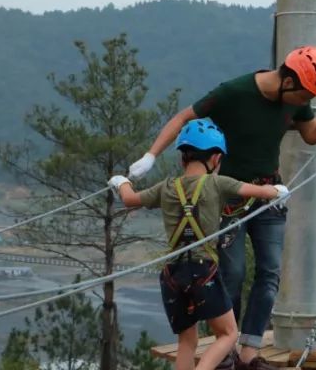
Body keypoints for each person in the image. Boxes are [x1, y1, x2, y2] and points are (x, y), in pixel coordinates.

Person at [127, 46, 316, 370]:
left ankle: (249, 352)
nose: (305, 102)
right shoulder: (234, 92)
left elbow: (313, 133)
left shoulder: (296, 100)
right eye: (304, 94)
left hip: (269, 193)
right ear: (288, 80)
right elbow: (183, 117)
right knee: (231, 274)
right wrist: (151, 156)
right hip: (230, 195)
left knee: (270, 272)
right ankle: (227, 352)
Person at [108, 119, 289, 370]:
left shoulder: (166, 187)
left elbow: (129, 199)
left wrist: (120, 182)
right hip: (203, 272)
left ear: (184, 158)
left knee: (187, 341)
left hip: (172, 274)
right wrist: (278, 190)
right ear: (215, 159)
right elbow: (261, 191)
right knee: (228, 334)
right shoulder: (218, 183)